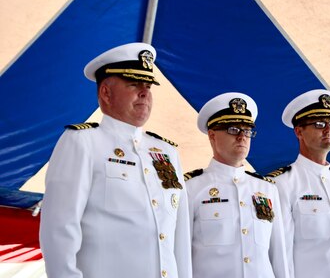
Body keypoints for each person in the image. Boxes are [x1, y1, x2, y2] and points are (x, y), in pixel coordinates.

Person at [40, 43, 192, 278]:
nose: (144, 92)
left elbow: (179, 237)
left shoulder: (167, 152)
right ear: (105, 93)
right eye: (134, 84)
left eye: (148, 86)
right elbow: (59, 229)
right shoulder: (82, 142)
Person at [266, 89, 330, 278]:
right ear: (299, 131)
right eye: (319, 124)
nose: (327, 130)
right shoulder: (281, 185)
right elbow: (281, 257)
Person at [184, 92, 290, 278]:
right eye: (233, 129)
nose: (242, 136)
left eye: (247, 130)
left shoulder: (267, 189)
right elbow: (181, 254)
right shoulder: (191, 188)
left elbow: (279, 256)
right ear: (212, 135)